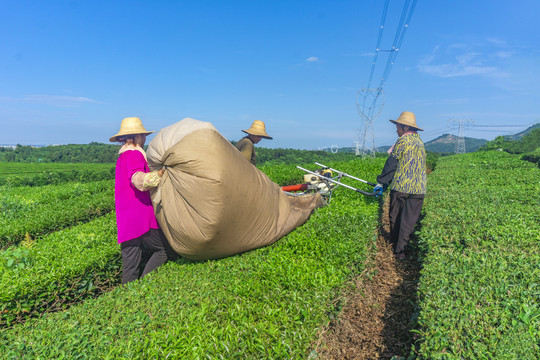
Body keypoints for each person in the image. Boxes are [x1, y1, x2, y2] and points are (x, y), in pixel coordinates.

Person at [109, 116, 177, 284]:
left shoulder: (122, 156)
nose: (145, 138)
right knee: (164, 249)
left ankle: (127, 300)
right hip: (140, 216)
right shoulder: (134, 154)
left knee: (130, 266)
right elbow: (139, 181)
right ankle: (144, 286)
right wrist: (160, 174)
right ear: (136, 136)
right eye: (143, 135)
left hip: (126, 219)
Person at [373, 111, 427, 260]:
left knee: (395, 216)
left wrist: (382, 182)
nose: (396, 130)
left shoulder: (402, 142)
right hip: (419, 189)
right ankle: (400, 251)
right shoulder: (420, 142)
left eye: (397, 127)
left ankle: (394, 244)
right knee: (409, 221)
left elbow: (392, 164)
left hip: (401, 187)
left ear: (404, 127)